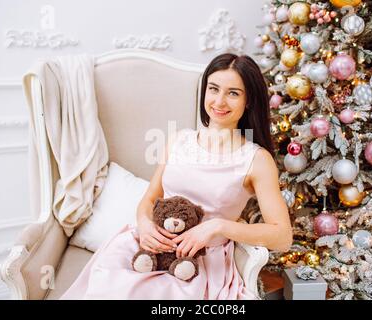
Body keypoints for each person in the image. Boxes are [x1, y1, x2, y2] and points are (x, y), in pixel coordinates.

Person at [60, 53, 292, 300]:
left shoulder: (256, 160)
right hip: (148, 247)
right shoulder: (179, 140)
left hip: (196, 263)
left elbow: (282, 237)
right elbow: (150, 199)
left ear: (248, 101)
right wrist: (145, 225)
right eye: (213, 89)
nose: (220, 101)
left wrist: (218, 226)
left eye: (233, 93)